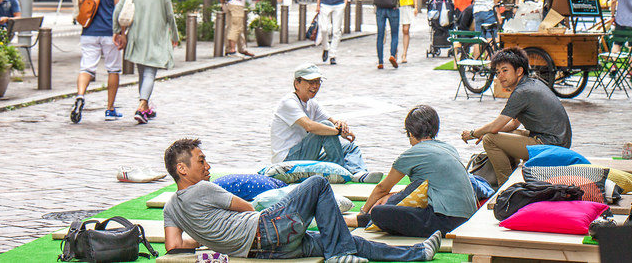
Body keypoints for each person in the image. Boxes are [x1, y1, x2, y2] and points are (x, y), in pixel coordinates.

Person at [162, 138, 439, 261]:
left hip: (265, 251)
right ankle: (339, 254)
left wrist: (210, 238)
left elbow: (174, 246)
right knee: (317, 183)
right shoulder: (203, 189)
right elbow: (247, 208)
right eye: (201, 160)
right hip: (267, 230)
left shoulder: (171, 207)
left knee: (341, 239)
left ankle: (417, 253)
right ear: (182, 169)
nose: (207, 165)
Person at [353, 106, 477, 237]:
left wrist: (362, 212)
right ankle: (365, 219)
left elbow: (382, 188)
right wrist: (392, 195)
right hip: (468, 218)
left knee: (379, 213)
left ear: (410, 133)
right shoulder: (449, 147)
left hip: (446, 221)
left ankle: (361, 220)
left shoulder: (412, 154)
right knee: (395, 203)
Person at [461, 47, 573, 186]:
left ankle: (506, 187)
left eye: (505, 70)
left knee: (490, 139)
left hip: (550, 145)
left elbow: (495, 126)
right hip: (557, 141)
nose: (500, 76)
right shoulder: (531, 84)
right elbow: (514, 124)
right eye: (498, 72)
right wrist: (488, 131)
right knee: (504, 134)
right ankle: (513, 174)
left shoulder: (522, 92)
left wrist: (473, 133)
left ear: (519, 71)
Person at [270, 63, 384, 183]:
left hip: (305, 155)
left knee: (349, 147)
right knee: (325, 128)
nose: (315, 86)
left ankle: (359, 173)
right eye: (310, 82)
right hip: (287, 161)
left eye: (318, 82)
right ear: (297, 84)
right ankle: (339, 171)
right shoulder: (288, 102)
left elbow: (333, 121)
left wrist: (341, 126)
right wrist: (337, 131)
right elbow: (310, 126)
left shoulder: (312, 103)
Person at [112, 0, 178, 124]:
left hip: (137, 36)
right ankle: (142, 105)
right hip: (156, 36)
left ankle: (145, 105)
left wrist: (117, 32)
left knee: (143, 71)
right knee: (149, 72)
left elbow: (117, 12)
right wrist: (175, 36)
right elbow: (170, 15)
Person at [71, 0, 125, 123]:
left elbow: (80, 0)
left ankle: (80, 95)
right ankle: (110, 109)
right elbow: (118, 7)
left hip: (89, 29)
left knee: (86, 67)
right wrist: (121, 31)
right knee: (113, 69)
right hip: (110, 30)